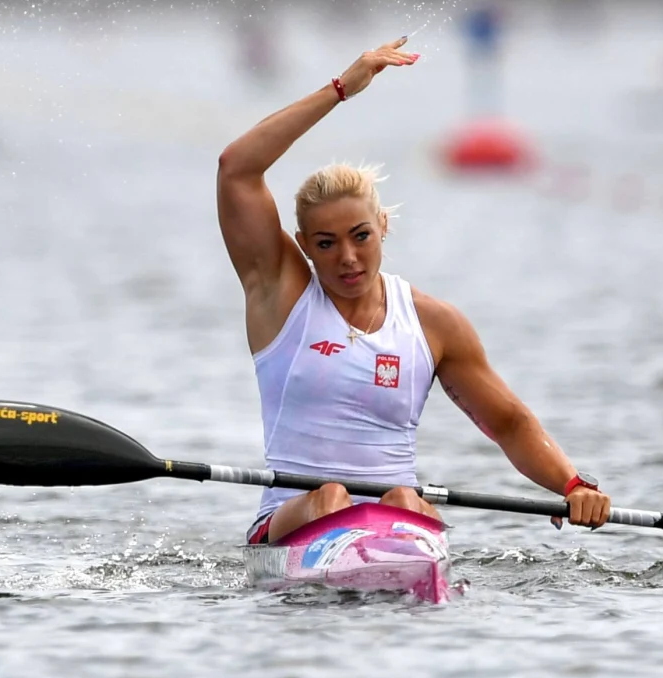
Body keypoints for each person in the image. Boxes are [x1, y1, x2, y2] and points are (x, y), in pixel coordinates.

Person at [216, 36, 612, 545]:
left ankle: (402, 561)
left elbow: (509, 423)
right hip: (292, 523)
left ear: (382, 226)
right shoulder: (281, 294)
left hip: (395, 519)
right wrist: (340, 89)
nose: (348, 257)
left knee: (405, 499)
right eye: (327, 243)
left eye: (360, 236)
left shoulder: (432, 322)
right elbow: (237, 169)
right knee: (331, 496)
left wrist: (574, 485)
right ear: (305, 246)